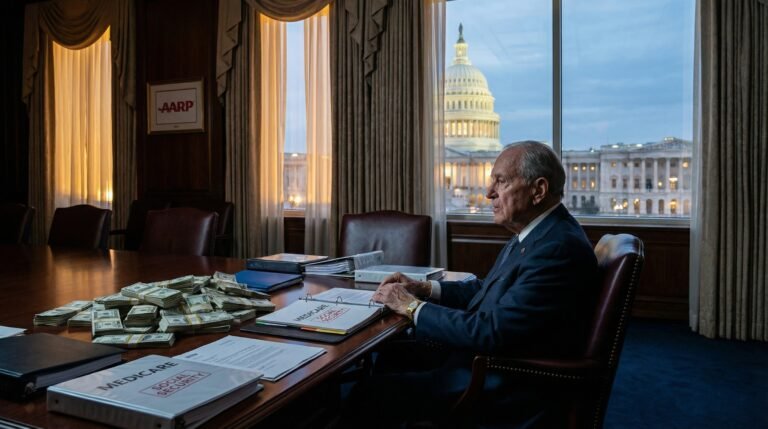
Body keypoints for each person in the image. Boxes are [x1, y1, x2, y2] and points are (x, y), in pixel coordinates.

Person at [342, 141, 599, 428]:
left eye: (501, 182)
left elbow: (490, 332)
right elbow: (489, 289)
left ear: (538, 190)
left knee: (370, 392)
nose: (489, 193)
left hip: (499, 380)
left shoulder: (556, 248)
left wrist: (411, 307)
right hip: (487, 359)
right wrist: (425, 289)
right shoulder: (541, 233)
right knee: (391, 353)